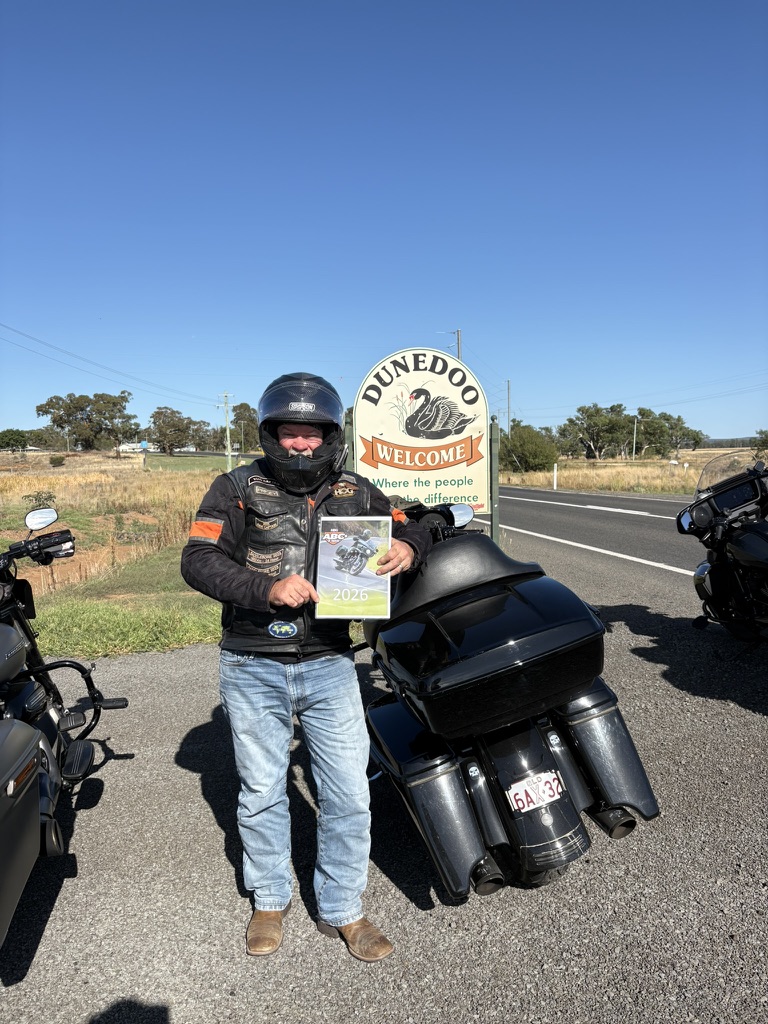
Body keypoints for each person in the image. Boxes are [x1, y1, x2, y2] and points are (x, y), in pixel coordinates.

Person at [180, 372, 431, 963]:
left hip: (329, 661)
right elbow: (198, 558)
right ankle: (269, 900)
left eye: (311, 434)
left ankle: (345, 908)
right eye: (289, 434)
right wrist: (265, 588)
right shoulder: (235, 486)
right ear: (270, 435)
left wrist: (408, 547)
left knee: (347, 791)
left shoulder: (356, 489)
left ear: (330, 436)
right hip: (251, 662)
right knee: (263, 789)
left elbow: (412, 522)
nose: (300, 445)